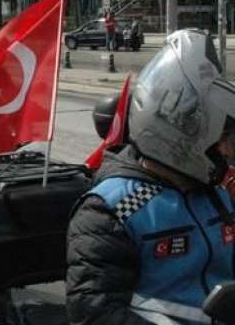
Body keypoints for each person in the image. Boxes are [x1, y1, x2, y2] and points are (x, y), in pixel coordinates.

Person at [66, 29, 235, 325]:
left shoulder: (213, 193)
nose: (225, 149)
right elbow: (94, 311)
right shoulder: (112, 210)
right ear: (179, 128)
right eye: (220, 136)